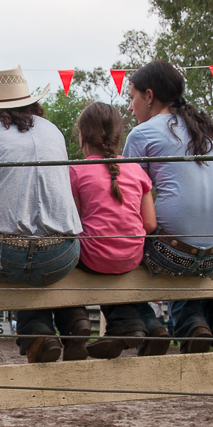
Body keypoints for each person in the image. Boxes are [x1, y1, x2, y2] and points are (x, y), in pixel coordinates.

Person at [0, 66, 85, 368]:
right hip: (62, 254)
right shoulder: (52, 131)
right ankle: (52, 326)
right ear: (30, 100)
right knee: (35, 268)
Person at [123, 60, 213, 353]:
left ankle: (163, 325)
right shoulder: (211, 133)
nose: (130, 107)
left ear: (149, 96)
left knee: (115, 251)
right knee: (192, 252)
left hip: (172, 253)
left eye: (132, 97)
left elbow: (126, 201)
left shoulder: (142, 134)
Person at [69, 102, 165, 358]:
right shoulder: (136, 169)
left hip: (94, 257)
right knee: (109, 257)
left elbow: (74, 222)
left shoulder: (76, 170)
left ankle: (77, 319)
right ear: (118, 135)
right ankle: (137, 325)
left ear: (82, 135)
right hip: (132, 255)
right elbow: (150, 224)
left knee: (81, 254)